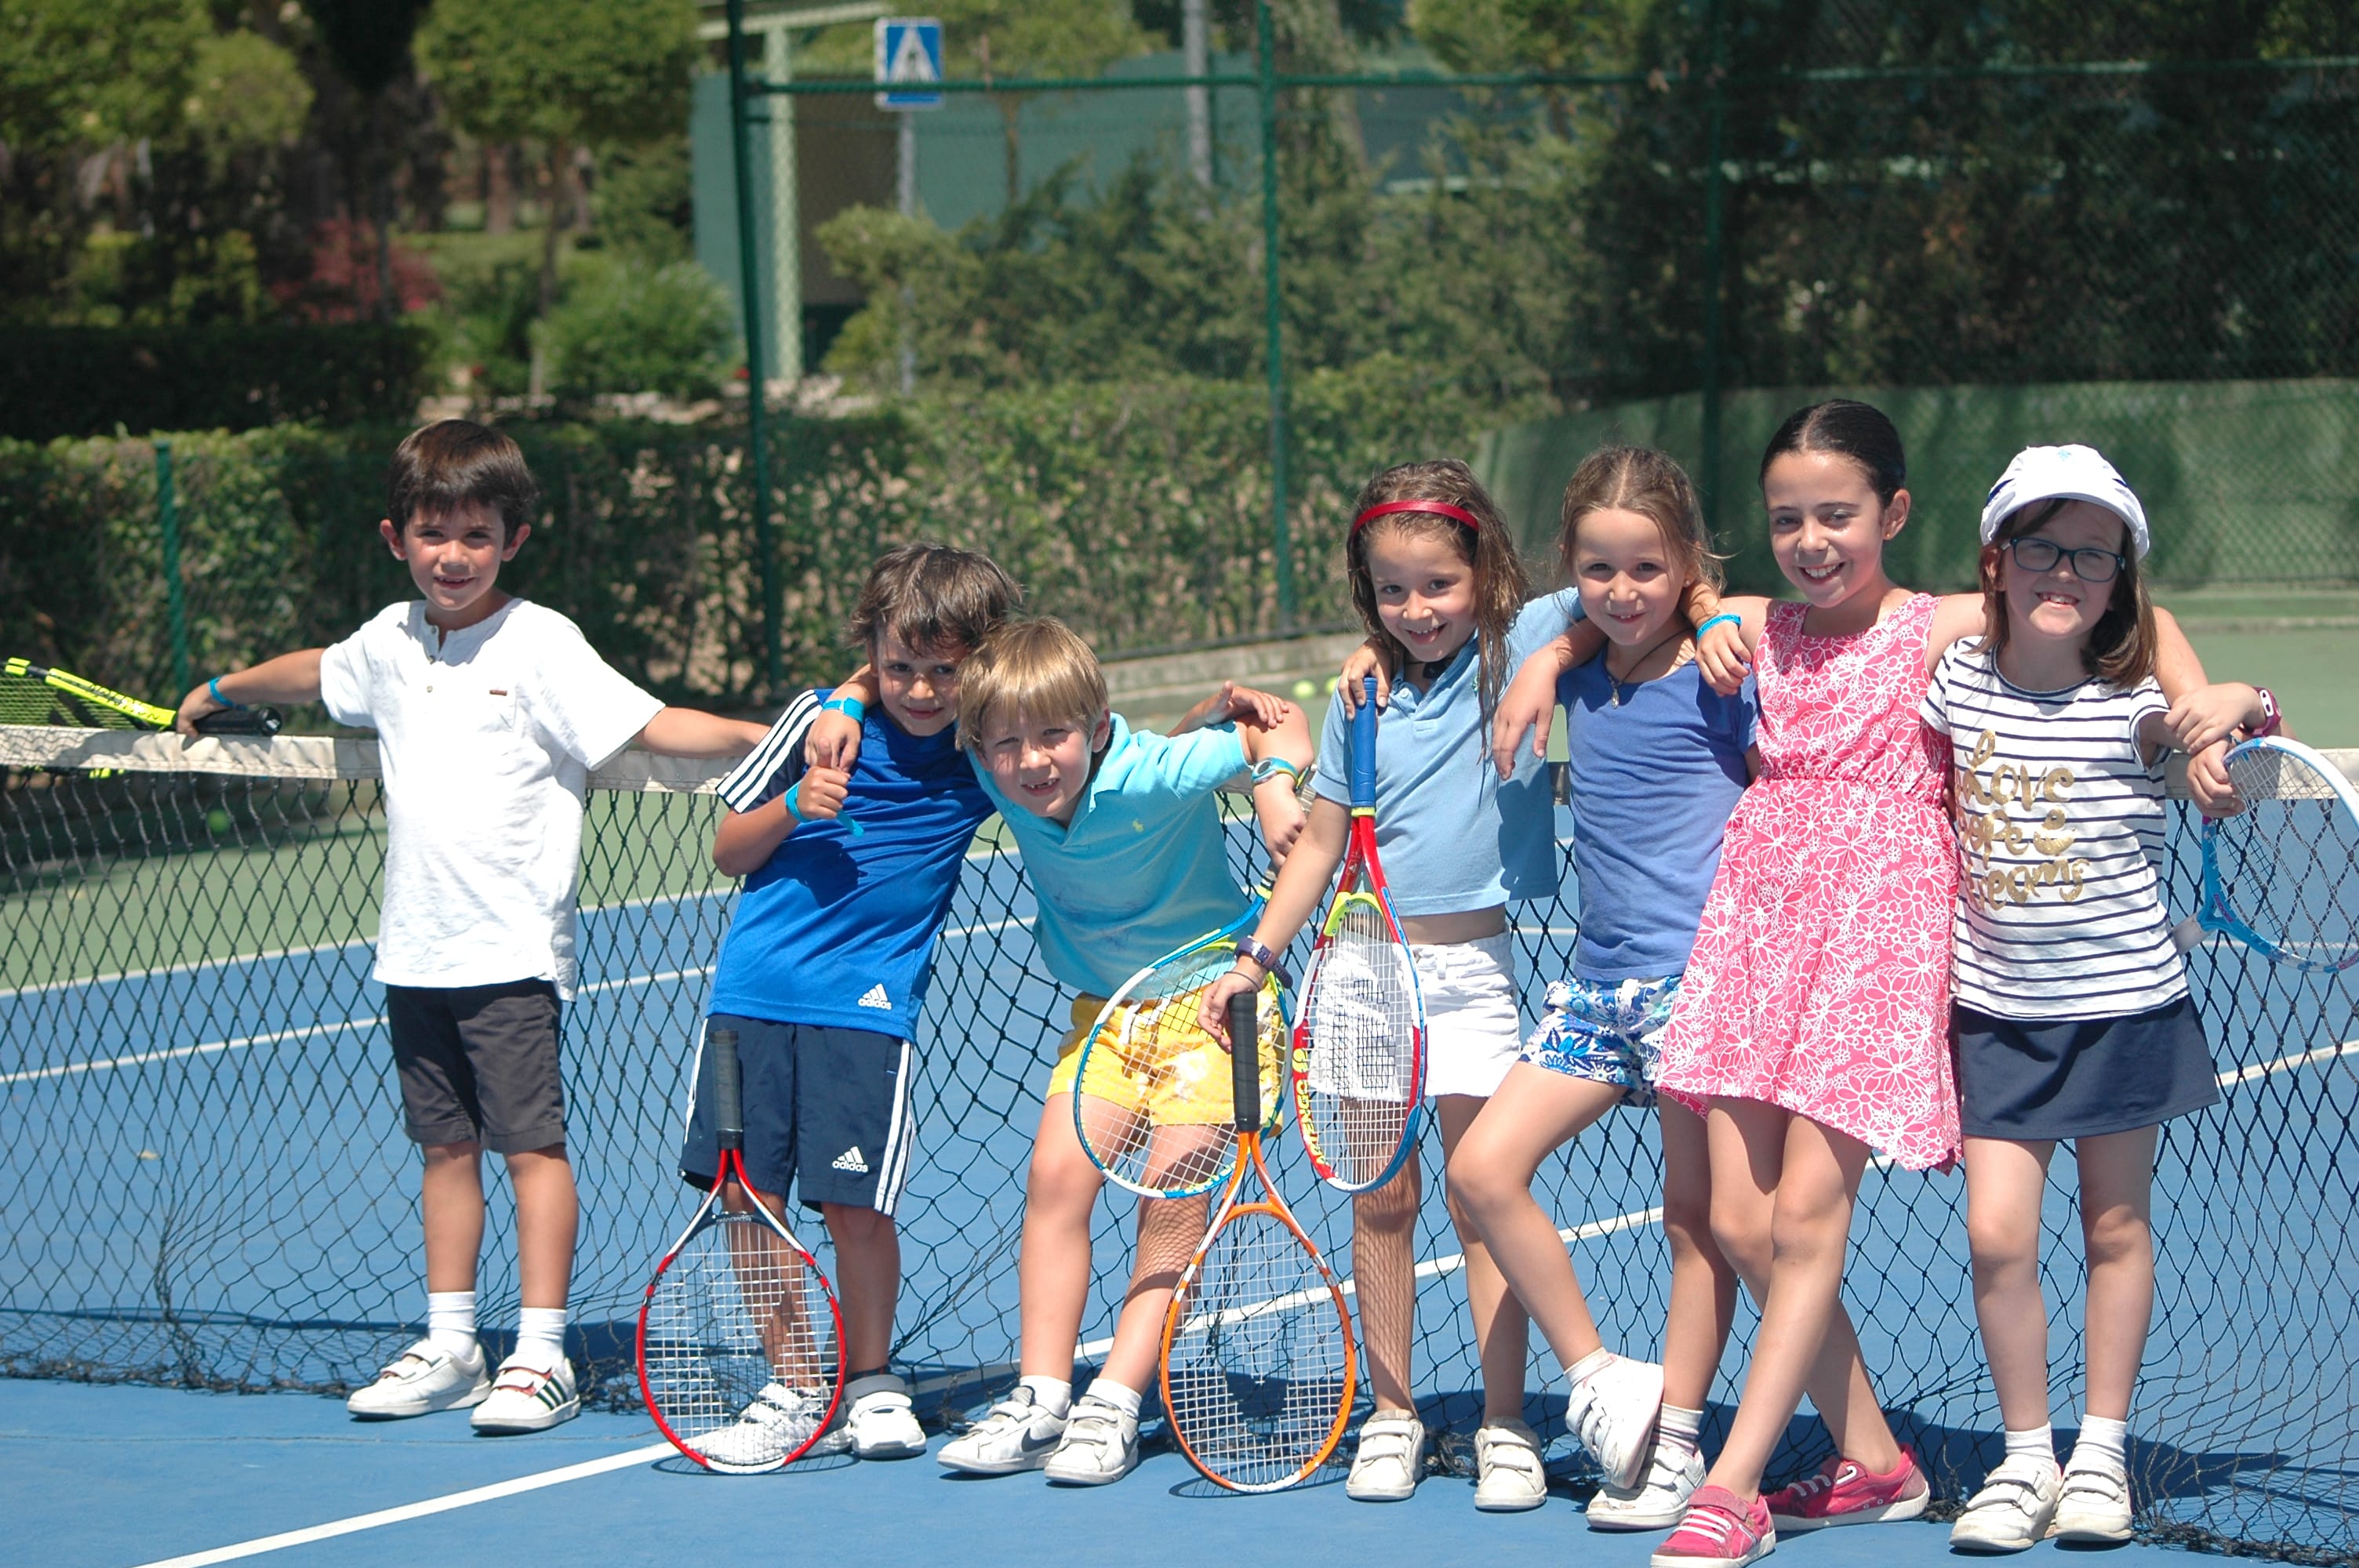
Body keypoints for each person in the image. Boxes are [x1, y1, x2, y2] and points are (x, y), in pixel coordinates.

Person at [1485, 401, 2234, 1566]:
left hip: (1877, 938)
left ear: (1892, 513)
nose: (1812, 539)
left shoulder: (1937, 625)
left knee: (1806, 1214)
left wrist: (2204, 717)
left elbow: (2144, 615)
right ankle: (1878, 1460)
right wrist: (1548, 656)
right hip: (1753, 929)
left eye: (1837, 514)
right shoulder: (1745, 623)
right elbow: (1634, 606)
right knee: (1740, 1222)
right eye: (1788, 518)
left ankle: (1730, 1487)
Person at [173, 419, 766, 1434]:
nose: (453, 555)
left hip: (511, 958)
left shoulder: (542, 645)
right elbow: (315, 671)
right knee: (445, 1151)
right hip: (414, 955)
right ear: (395, 536)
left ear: (514, 540)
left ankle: (539, 1356)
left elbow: (650, 727)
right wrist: (221, 690)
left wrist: (766, 735)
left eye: (476, 535)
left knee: (531, 1151)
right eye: (432, 532)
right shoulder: (390, 644)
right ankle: (451, 1342)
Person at [1201, 458, 1663, 1512]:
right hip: (1362, 974)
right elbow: (1320, 844)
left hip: (1472, 973)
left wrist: (1549, 667)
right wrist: (1256, 956)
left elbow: (1621, 598)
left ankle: (1506, 1423)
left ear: (1485, 573)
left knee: (1481, 1198)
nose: (1417, 610)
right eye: (1393, 592)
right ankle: (1395, 1413)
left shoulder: (1527, 636)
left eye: (1439, 586)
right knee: (1384, 1201)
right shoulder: (1358, 698)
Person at [814, 615, 1312, 1485]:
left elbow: (1282, 724)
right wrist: (848, 694)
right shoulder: (987, 769)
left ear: (1094, 725)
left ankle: (1114, 1401)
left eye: (1051, 735)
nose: (1030, 760)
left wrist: (1272, 783)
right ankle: (1042, 1395)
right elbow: (912, 688)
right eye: (1005, 742)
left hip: (1213, 1006)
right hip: (1105, 1016)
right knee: (1052, 1179)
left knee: (1172, 1190)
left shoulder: (1157, 770)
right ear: (980, 744)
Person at [1927, 447, 2268, 1551]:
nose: (2064, 570)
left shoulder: (2141, 704)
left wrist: (2238, 710)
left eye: (2093, 553)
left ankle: (2101, 1457)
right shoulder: (1952, 672)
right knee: (1996, 1238)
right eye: (2041, 546)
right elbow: (1851, 610)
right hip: (1993, 1013)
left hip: (2125, 1008)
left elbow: (2223, 730)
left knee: (2116, 1228)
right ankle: (2027, 1459)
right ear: (1998, 558)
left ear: (2122, 576)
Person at [1449, 446, 1753, 1530]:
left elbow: (1773, 614)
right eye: (1597, 569)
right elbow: (1446, 619)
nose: (1623, 592)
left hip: (1701, 990)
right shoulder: (1568, 659)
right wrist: (1551, 657)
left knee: (1695, 1225)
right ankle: (1601, 1382)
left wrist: (1714, 611)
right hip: (1596, 993)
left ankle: (1675, 1442)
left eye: (1648, 570)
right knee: (1481, 1170)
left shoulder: (1726, 660)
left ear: (1687, 565)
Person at [677, 543, 1023, 1464]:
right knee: (749, 1199)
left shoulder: (982, 749)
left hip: (865, 1015)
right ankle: (794, 1382)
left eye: (943, 669)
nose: (918, 687)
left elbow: (1079, 730)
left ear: (978, 664)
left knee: (854, 1208)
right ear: (870, 648)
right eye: (898, 666)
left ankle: (869, 1380)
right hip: (748, 1001)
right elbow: (729, 849)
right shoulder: (814, 723)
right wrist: (799, 796)